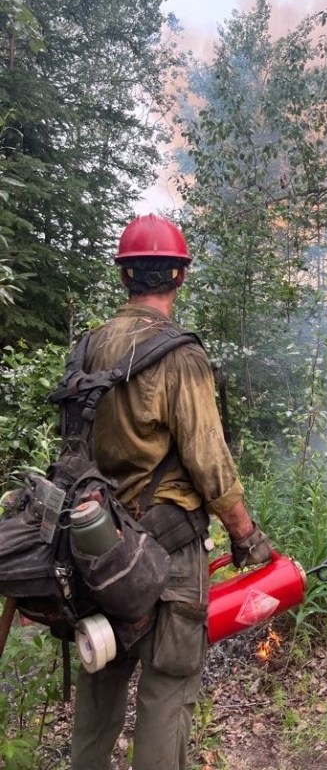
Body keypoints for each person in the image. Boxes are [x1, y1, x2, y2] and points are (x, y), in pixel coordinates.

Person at [70, 214, 273, 770]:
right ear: (179, 277)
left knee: (101, 681)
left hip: (100, 548)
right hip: (167, 554)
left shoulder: (89, 348)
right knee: (166, 689)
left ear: (125, 277)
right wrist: (246, 535)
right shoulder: (180, 355)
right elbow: (210, 463)